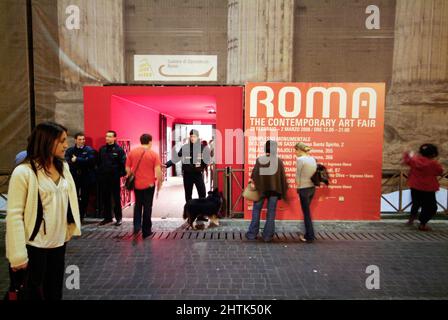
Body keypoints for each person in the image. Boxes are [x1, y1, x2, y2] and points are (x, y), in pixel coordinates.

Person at [5, 122, 81, 300]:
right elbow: (14, 215)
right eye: (62, 141)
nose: (66, 145)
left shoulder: (64, 168)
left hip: (58, 244)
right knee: (30, 295)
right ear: (47, 141)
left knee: (54, 294)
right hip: (34, 246)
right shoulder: (24, 172)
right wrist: (17, 255)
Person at [245, 140, 288, 242]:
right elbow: (282, 178)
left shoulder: (260, 160)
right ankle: (267, 236)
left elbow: (254, 176)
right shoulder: (279, 161)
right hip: (274, 191)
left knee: (256, 210)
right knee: (271, 212)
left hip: (261, 191)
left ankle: (252, 234)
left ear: (265, 149)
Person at [126, 134, 163, 239]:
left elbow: (127, 168)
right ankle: (146, 231)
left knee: (138, 204)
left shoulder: (132, 152)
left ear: (141, 141)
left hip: (137, 185)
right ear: (150, 142)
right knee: (147, 207)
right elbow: (158, 171)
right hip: (149, 185)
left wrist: (132, 176)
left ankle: (137, 226)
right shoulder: (153, 154)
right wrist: (160, 183)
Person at [403, 143, 444, 231]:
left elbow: (407, 160)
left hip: (415, 186)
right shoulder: (433, 164)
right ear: (433, 154)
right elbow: (440, 171)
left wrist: (408, 153)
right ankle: (422, 223)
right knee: (431, 207)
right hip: (428, 188)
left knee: (416, 203)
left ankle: (411, 220)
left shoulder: (414, 160)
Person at [165, 129, 211, 203]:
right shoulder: (185, 147)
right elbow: (177, 158)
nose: (192, 138)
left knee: (202, 194)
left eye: (194, 136)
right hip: (187, 174)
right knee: (188, 195)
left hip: (198, 174)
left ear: (198, 137)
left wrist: (204, 160)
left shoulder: (203, 148)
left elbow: (207, 160)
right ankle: (189, 212)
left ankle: (201, 212)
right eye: (191, 136)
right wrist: (166, 164)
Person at [97, 130, 126, 226]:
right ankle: (107, 218)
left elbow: (123, 165)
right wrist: (100, 173)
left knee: (116, 199)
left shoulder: (119, 150)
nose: (107, 138)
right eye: (106, 136)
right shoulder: (102, 149)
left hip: (114, 178)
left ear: (114, 138)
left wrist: (119, 174)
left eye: (109, 136)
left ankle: (119, 218)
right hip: (104, 178)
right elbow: (99, 162)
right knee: (105, 198)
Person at [65, 132, 96, 222]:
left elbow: (90, 161)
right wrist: (82, 160)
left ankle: (81, 216)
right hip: (74, 176)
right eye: (79, 139)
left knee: (84, 197)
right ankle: (73, 215)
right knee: (73, 196)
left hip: (86, 177)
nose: (82, 141)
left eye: (83, 139)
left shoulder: (89, 150)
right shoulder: (70, 150)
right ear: (75, 140)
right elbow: (67, 161)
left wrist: (77, 160)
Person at [295, 142, 318, 243]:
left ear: (299, 150)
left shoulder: (300, 160)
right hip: (312, 188)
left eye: (295, 150)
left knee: (306, 213)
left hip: (303, 188)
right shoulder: (312, 159)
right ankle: (309, 234)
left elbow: (298, 175)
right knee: (307, 212)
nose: (295, 152)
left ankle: (309, 236)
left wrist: (298, 186)